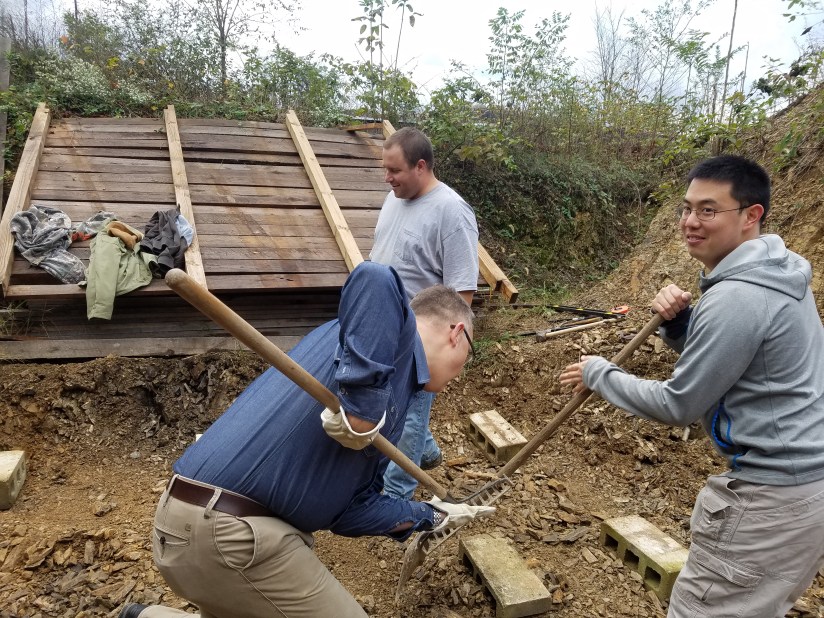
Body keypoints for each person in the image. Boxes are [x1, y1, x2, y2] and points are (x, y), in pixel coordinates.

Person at [117, 262, 494, 618]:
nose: (459, 375)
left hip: (188, 525)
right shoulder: (393, 336)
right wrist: (363, 406)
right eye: (470, 356)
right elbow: (373, 277)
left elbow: (349, 512)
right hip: (229, 532)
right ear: (456, 333)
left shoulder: (371, 361)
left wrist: (427, 515)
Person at [559, 155, 824, 618]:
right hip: (802, 493)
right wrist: (682, 327)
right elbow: (737, 365)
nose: (689, 222)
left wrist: (599, 374)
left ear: (750, 215)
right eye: (686, 208)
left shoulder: (739, 297)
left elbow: (679, 403)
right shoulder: (778, 275)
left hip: (770, 501)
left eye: (708, 210)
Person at [370, 126, 480, 500]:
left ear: (421, 166)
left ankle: (396, 492)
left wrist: (445, 347)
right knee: (393, 405)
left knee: (411, 413)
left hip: (419, 337)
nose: (388, 178)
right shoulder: (394, 199)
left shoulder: (451, 212)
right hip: (383, 326)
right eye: (385, 170)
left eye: (394, 171)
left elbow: (461, 292)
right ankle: (426, 451)